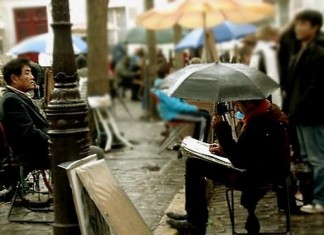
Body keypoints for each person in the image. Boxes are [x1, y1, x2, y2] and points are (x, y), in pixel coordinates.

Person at [166, 99, 291, 235]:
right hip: (264, 170)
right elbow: (252, 151)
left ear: (248, 104)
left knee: (194, 164)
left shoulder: (259, 123)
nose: (236, 108)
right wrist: (224, 149)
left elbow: (240, 160)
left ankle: (195, 222)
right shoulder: (268, 114)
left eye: (238, 104)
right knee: (196, 162)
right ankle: (193, 214)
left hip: (257, 177)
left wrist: (221, 129)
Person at [0, 58, 105, 170]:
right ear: (14, 78)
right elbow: (29, 133)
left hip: (43, 148)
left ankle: (81, 186)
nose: (32, 77)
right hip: (35, 154)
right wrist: (57, 143)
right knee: (95, 152)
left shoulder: (16, 96)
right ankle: (85, 187)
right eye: (27, 73)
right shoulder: (12, 100)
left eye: (31, 72)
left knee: (88, 148)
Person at [281, 9, 324, 214]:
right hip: (298, 114)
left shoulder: (318, 52)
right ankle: (312, 197)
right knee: (307, 159)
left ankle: (321, 200)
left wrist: (297, 109)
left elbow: (315, 87)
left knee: (317, 158)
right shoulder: (300, 51)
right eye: (297, 23)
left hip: (312, 114)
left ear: (315, 27)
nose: (298, 27)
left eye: (303, 24)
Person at [152, 61, 211, 143]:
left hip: (173, 112)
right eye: (171, 71)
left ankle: (195, 142)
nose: (173, 73)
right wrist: (192, 108)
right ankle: (198, 146)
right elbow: (174, 105)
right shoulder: (164, 87)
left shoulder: (163, 85)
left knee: (205, 113)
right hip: (173, 114)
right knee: (204, 118)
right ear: (166, 74)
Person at [249, 25, 282, 109]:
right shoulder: (269, 51)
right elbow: (273, 77)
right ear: (270, 36)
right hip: (270, 98)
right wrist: (278, 105)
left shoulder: (257, 51)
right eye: (277, 35)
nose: (279, 38)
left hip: (260, 97)